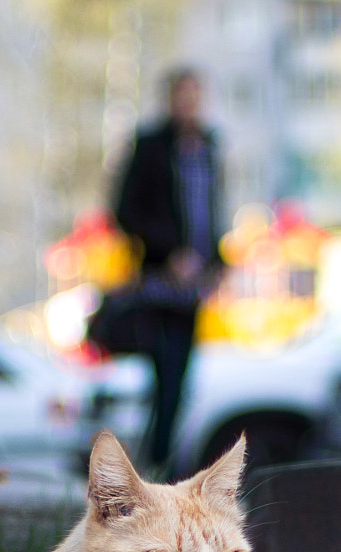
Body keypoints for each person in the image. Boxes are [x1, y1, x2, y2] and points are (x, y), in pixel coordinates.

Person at [112, 68, 225, 478]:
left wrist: (217, 263)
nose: (190, 104)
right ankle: (148, 469)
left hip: (194, 290)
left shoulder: (209, 147)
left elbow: (211, 213)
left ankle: (162, 469)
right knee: (163, 381)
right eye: (183, 95)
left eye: (196, 96)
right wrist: (168, 253)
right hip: (159, 287)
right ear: (170, 99)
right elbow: (124, 211)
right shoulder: (151, 147)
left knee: (182, 385)